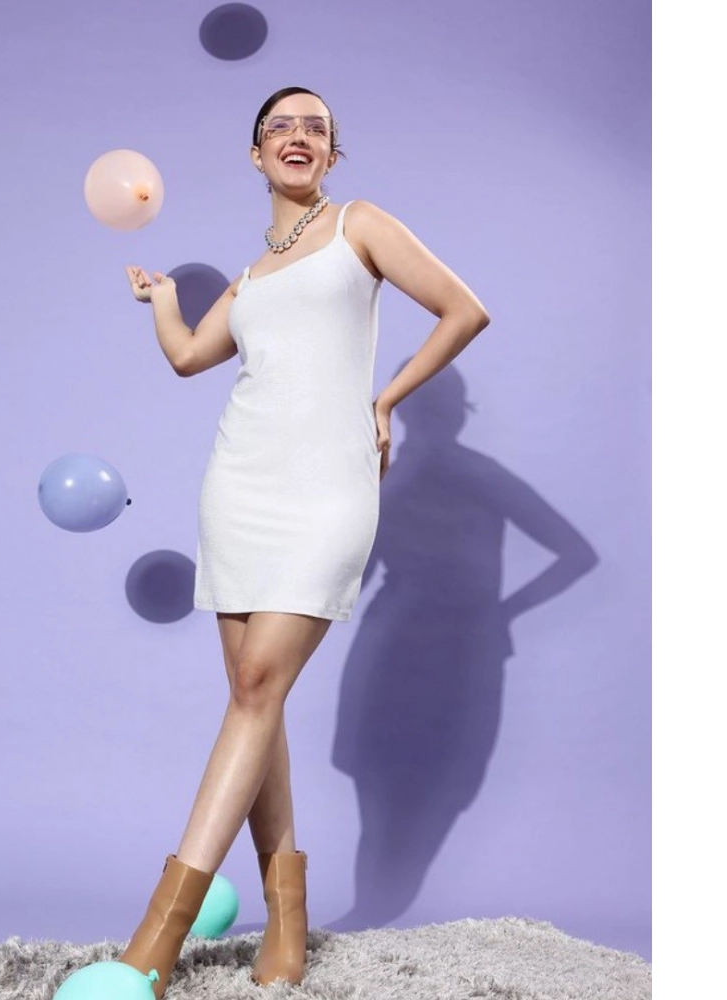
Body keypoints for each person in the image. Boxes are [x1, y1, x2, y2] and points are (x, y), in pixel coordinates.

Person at [120, 85, 490, 997]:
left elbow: (463, 309)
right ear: (256, 155)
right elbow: (188, 357)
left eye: (314, 127)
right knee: (259, 700)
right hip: (237, 486)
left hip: (327, 488)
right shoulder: (250, 278)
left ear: (331, 154)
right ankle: (286, 917)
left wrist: (385, 399)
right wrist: (163, 299)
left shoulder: (361, 224)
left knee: (256, 687)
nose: (297, 135)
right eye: (279, 126)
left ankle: (157, 937)